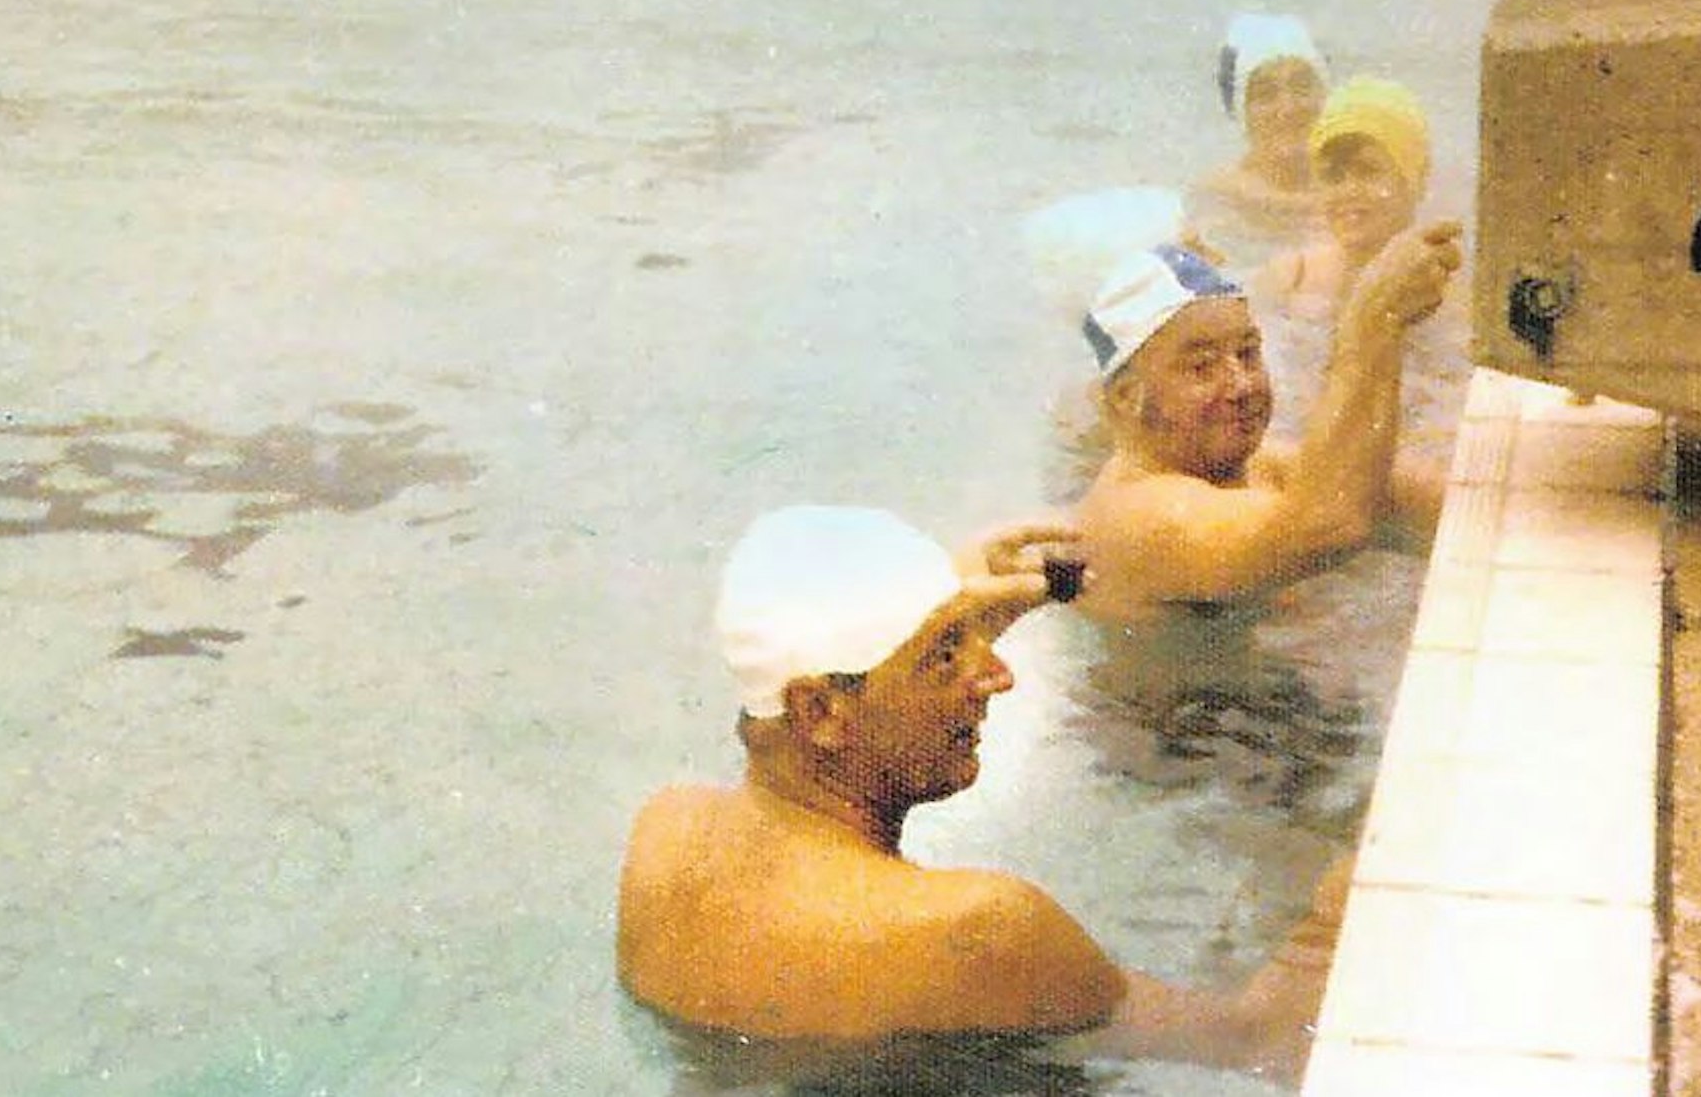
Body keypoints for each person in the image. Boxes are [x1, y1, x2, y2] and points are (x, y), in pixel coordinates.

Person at [616, 505, 1347, 1081]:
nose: (998, 675)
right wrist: (1341, 900)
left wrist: (939, 622)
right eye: (944, 654)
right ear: (820, 712)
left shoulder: (666, 833)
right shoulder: (981, 928)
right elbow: (1268, 1041)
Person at [1073, 222, 1460, 620]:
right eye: (1202, 367)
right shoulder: (1141, 516)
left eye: (1247, 354)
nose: (1241, 385)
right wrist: (1374, 319)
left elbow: (1422, 501)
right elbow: (1329, 527)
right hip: (1188, 685)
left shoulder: (1258, 466)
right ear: (1126, 397)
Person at [1252, 75, 1471, 458]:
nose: (1349, 190)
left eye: (1369, 171)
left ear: (1414, 180)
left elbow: (1449, 427)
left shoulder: (1455, 293)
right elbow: (1271, 414)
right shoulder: (1289, 279)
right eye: (1333, 176)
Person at [1184, 14, 1331, 263]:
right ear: (1241, 112)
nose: (1288, 108)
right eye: (1265, 94)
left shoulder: (1358, 191)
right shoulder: (1219, 202)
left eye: (1302, 87)